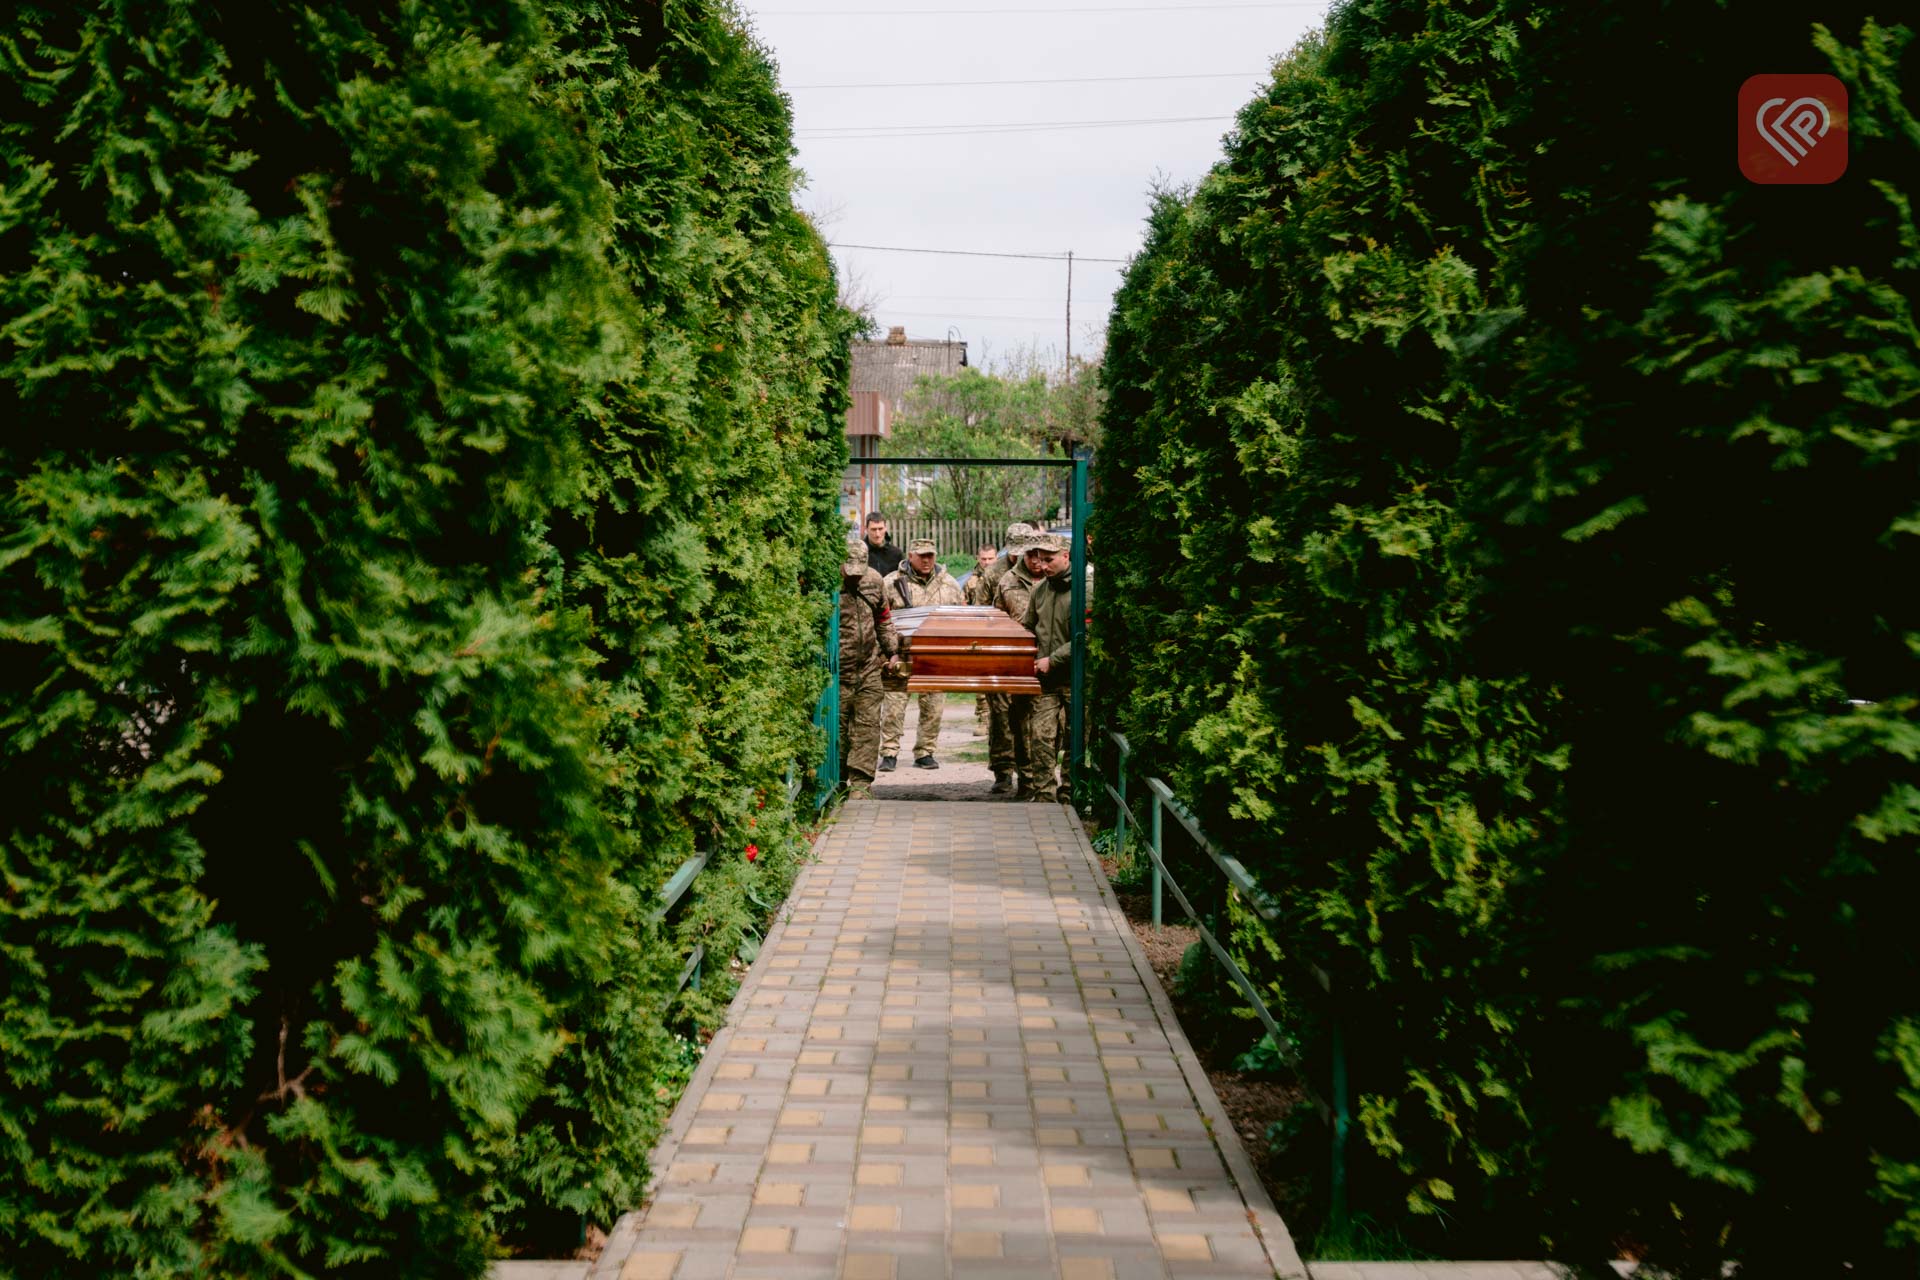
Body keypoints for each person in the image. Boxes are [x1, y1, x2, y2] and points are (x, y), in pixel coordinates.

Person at [879, 538, 964, 770]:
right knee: (893, 707)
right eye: (922, 556)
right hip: (900, 654)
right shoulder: (891, 583)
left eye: (931, 555)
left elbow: (960, 619)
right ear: (910, 555)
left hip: (934, 657)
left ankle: (925, 751)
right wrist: (888, 653)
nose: (927, 560)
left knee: (933, 706)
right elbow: (881, 620)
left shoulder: (949, 584)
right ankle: (889, 752)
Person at [839, 537, 900, 794]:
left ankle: (861, 785)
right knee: (838, 730)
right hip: (837, 672)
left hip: (868, 667)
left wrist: (892, 652)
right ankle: (837, 781)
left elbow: (883, 619)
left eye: (858, 572)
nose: (854, 577)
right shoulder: (827, 583)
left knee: (867, 728)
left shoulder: (874, 581)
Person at [991, 529, 1047, 797]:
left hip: (1049, 662)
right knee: (1018, 723)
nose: (1037, 560)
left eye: (1042, 555)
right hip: (1015, 664)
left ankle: (1044, 781)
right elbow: (995, 621)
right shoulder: (1007, 581)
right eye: (1032, 555)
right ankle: (1025, 780)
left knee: (1046, 727)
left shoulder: (1054, 579)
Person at [1020, 532, 1074, 804]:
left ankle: (1070, 795)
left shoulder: (1084, 587)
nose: (1043, 565)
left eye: (1049, 559)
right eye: (1040, 560)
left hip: (1076, 679)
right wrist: (1026, 656)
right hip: (1046, 680)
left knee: (1076, 741)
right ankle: (1044, 797)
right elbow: (1028, 627)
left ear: (1066, 556)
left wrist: (1053, 659)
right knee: (1040, 736)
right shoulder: (1040, 590)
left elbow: (1086, 636)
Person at [962, 543, 998, 735]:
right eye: (983, 559)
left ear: (996, 558)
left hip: (999, 631)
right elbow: (965, 607)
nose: (986, 562)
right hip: (979, 632)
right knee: (980, 677)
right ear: (978, 558)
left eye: (990, 558)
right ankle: (984, 718)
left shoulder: (1004, 577)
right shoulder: (971, 582)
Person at [864, 512, 904, 579]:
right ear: (866, 529)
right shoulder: (859, 554)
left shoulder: (896, 554)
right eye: (873, 529)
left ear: (885, 528)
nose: (877, 534)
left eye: (880, 529)